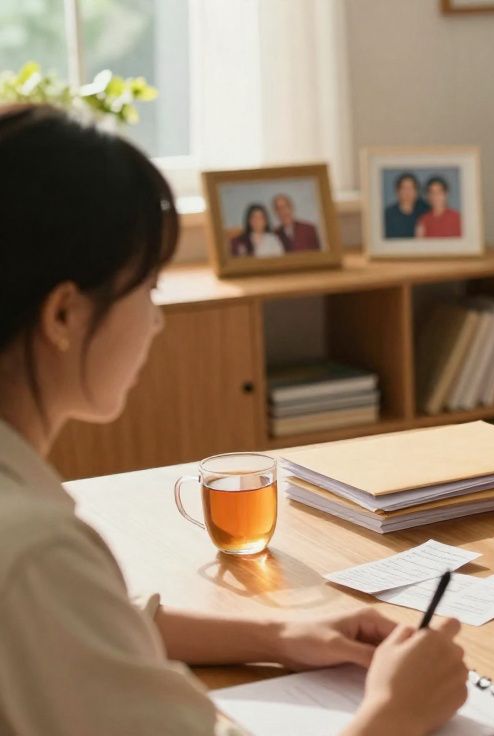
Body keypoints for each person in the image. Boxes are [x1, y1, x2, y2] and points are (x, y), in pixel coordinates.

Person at [0, 104, 468, 735]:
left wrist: (279, 633)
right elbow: (52, 603)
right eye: (149, 289)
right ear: (63, 316)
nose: (156, 322)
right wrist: (395, 714)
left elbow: (75, 629)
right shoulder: (35, 551)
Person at [383, 172, 430, 238]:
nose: (407, 192)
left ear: (416, 192)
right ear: (397, 191)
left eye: (411, 188)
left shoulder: (425, 211)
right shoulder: (388, 215)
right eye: (404, 188)